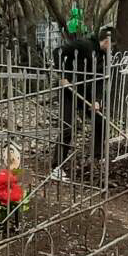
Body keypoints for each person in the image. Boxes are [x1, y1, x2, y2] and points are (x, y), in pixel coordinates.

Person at [52, 28, 104, 178]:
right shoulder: (84, 44)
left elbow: (100, 79)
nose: (112, 49)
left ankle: (96, 156)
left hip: (85, 93)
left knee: (100, 120)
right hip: (69, 90)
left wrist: (96, 100)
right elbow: (57, 52)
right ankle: (57, 167)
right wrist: (63, 76)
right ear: (106, 41)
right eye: (111, 44)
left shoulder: (105, 55)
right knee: (67, 128)